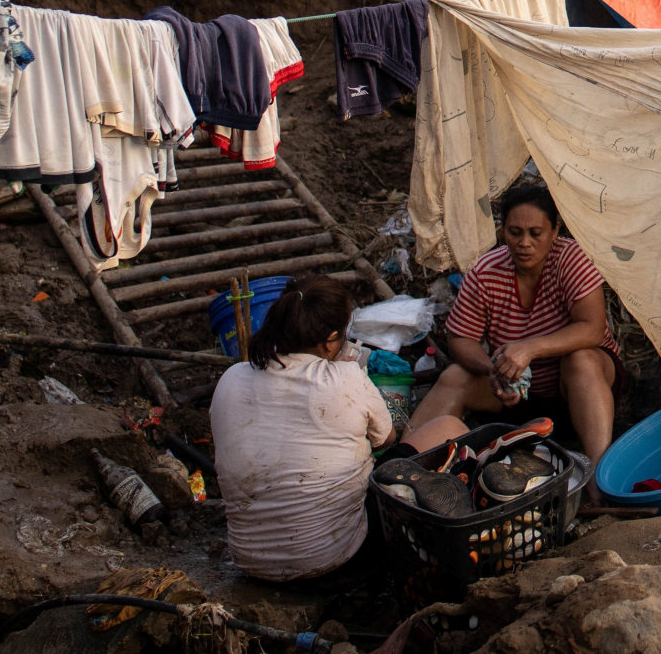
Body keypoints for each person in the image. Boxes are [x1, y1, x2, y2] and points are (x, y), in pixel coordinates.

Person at [209, 276, 466, 582]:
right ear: (331, 340)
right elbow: (388, 438)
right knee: (448, 427)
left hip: (250, 563)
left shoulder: (232, 377)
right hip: (337, 562)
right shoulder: (345, 377)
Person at [409, 183, 622, 468]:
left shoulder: (572, 260)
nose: (525, 243)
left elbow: (593, 329)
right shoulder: (485, 272)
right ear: (503, 231)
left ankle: (599, 474)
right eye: (515, 232)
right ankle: (401, 466)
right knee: (455, 377)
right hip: (515, 396)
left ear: (555, 231)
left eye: (535, 234)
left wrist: (529, 348)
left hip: (577, 389)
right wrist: (492, 369)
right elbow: (460, 338)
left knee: (580, 359)